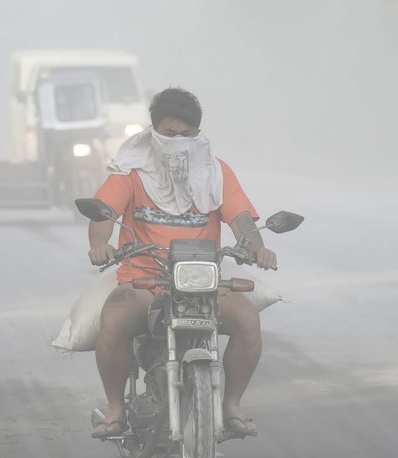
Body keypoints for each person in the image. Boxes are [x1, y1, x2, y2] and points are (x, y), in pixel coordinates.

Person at [87, 87, 277, 438]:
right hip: (143, 279)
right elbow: (103, 213)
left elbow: (242, 220)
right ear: (154, 131)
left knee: (248, 319)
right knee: (112, 320)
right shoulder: (131, 170)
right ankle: (115, 410)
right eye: (170, 135)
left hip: (202, 280)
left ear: (198, 134)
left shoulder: (216, 172)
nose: (178, 142)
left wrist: (256, 247)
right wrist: (100, 244)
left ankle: (231, 404)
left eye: (187, 135)